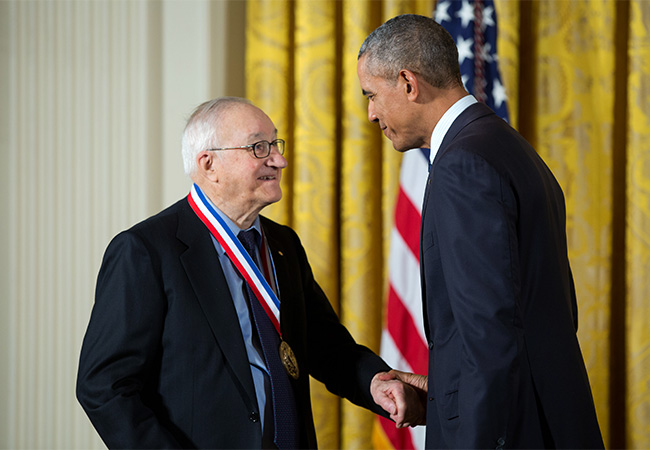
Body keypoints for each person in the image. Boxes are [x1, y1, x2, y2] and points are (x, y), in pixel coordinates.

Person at [76, 97, 421, 449]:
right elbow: (105, 386)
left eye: (274, 144)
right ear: (209, 164)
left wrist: (375, 381)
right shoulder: (147, 251)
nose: (279, 159)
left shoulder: (283, 244)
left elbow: (326, 345)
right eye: (259, 147)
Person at [358, 14, 604, 449]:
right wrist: (440, 391)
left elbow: (491, 338)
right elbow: (520, 321)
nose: (372, 113)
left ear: (408, 83)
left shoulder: (461, 166)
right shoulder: (509, 147)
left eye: (372, 95)